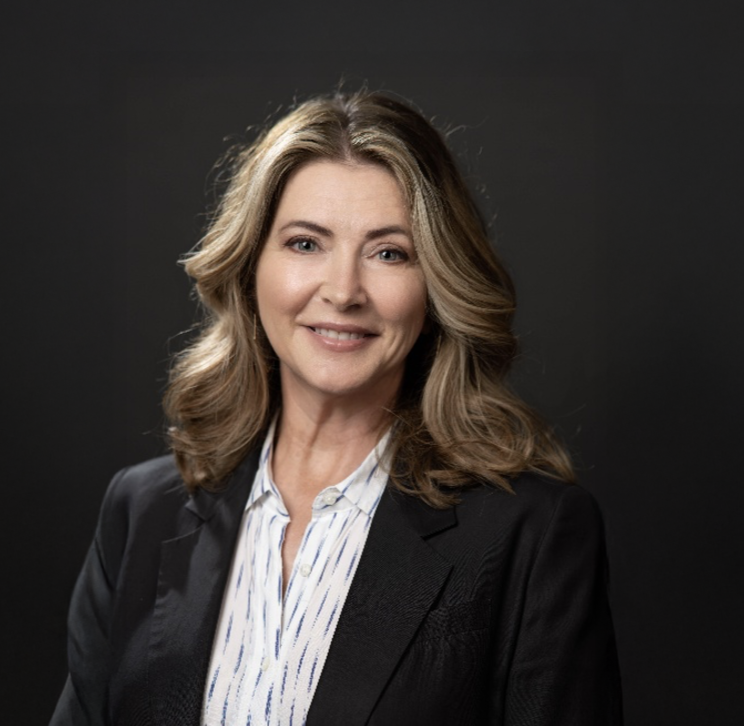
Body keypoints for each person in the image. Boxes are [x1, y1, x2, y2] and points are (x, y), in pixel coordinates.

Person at [51, 90, 622, 725]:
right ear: (250, 266)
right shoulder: (140, 513)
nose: (344, 291)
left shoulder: (533, 534)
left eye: (389, 253)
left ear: (437, 284)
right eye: (305, 244)